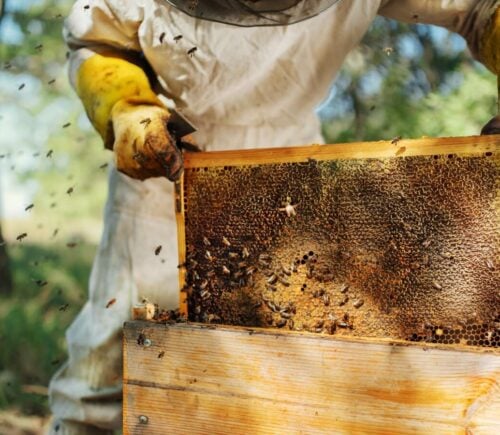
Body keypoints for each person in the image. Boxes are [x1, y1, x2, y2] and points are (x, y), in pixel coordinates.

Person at [47, 1, 499, 433]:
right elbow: (99, 39)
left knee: (292, 360)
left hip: (294, 162)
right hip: (167, 154)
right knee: (113, 358)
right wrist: (126, 106)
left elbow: (484, 8)